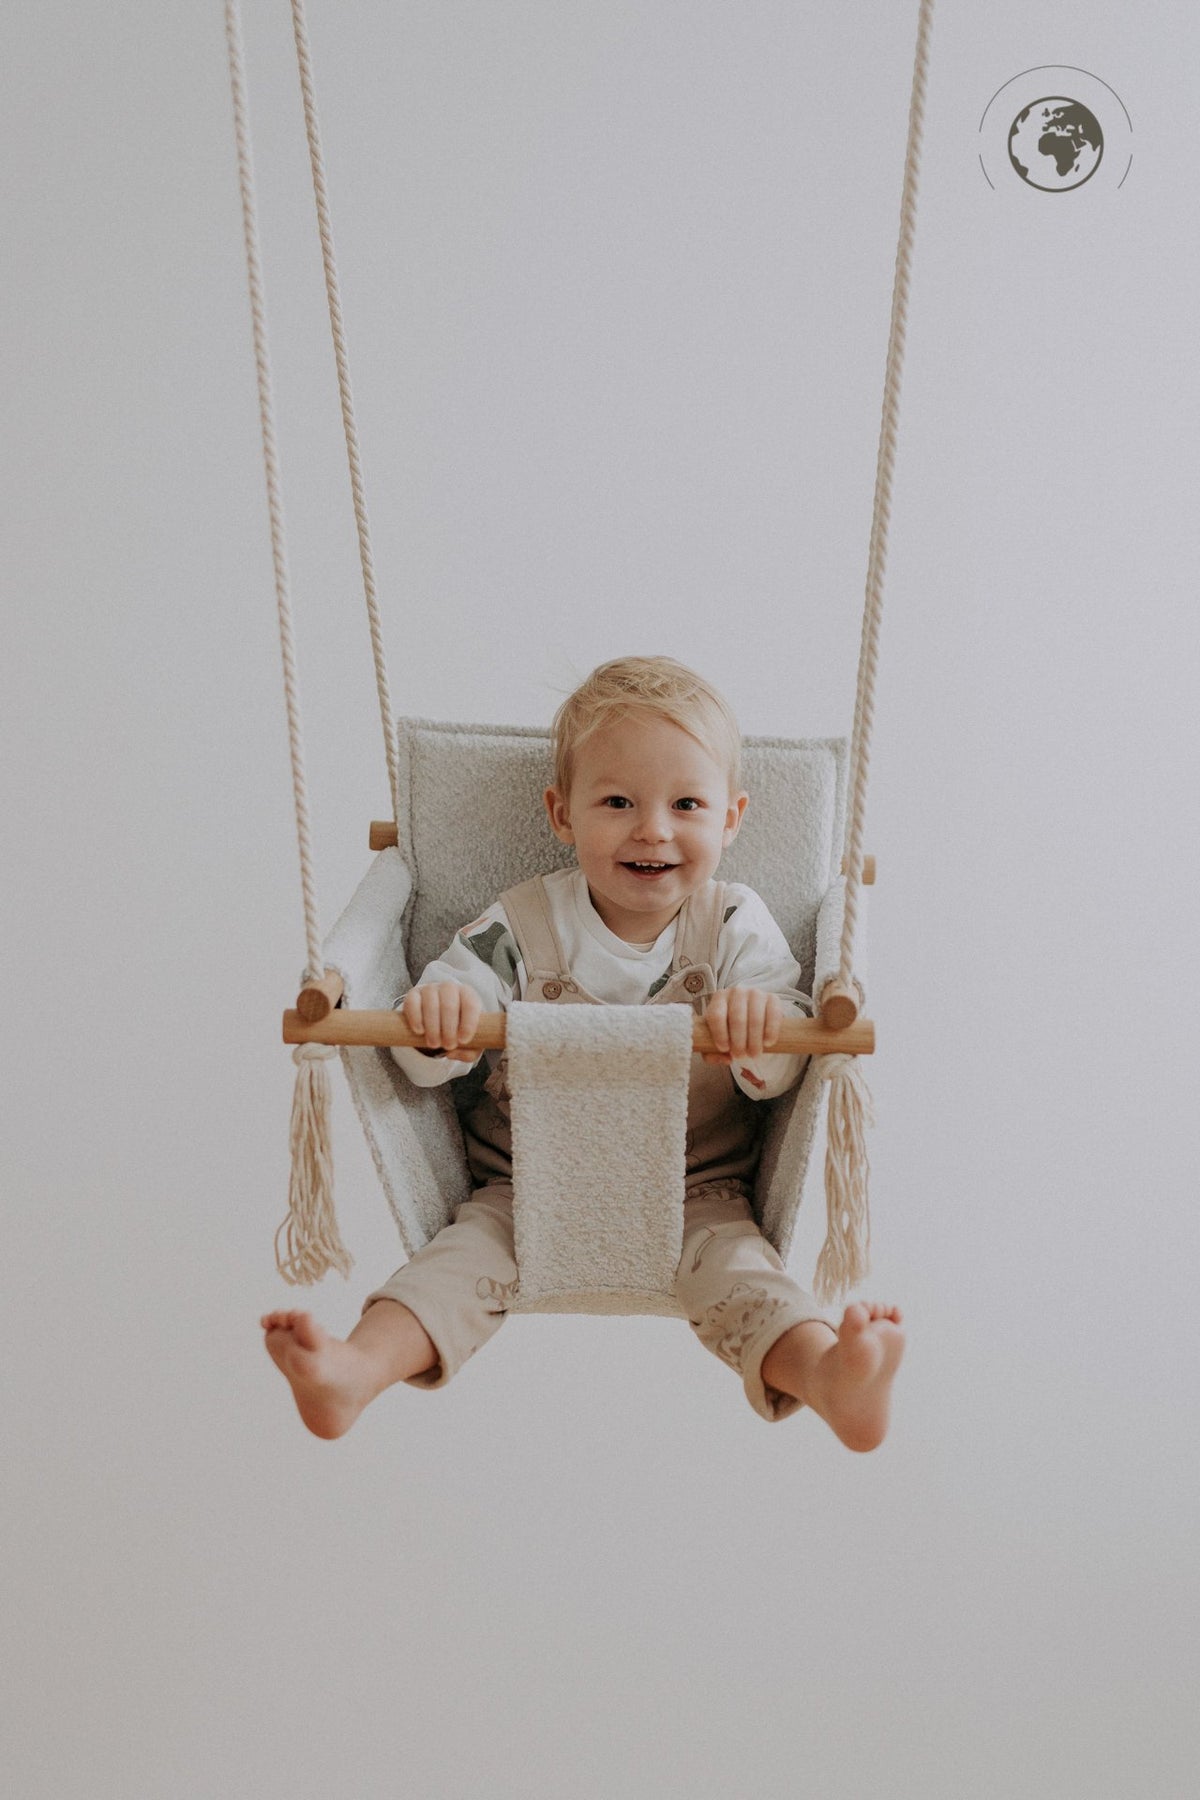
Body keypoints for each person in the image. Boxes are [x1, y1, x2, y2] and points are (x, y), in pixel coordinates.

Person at [263, 657, 903, 1446]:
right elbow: (426, 1055)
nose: (653, 828)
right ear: (562, 814)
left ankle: (830, 1378)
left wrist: (758, 1024)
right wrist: (440, 1016)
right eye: (617, 801)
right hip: (524, 1187)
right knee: (451, 1268)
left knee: (746, 1281)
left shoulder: (737, 924)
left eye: (687, 803)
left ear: (732, 819)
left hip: (698, 1191)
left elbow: (782, 1073)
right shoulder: (520, 925)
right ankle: (356, 1370)